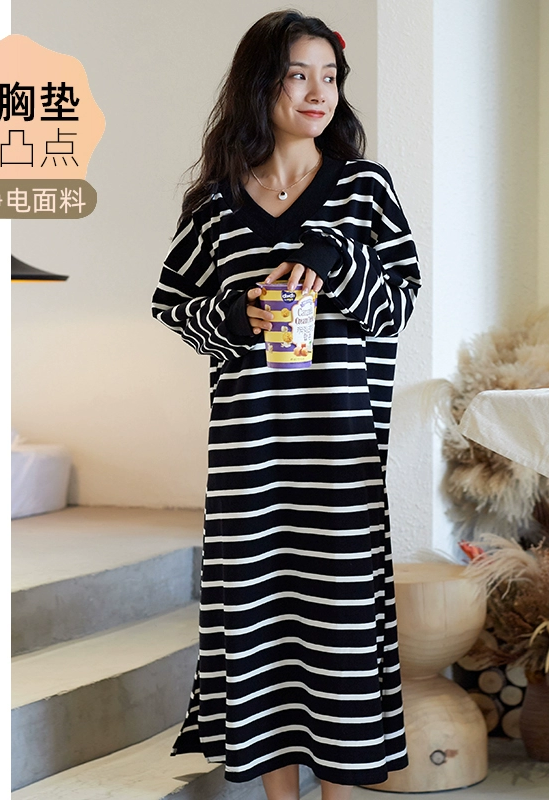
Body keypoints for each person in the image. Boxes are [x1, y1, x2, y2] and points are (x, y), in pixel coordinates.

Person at [151, 9, 421, 800]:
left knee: (339, 636)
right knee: (260, 632)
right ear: (261, 84)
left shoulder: (364, 190)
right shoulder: (214, 205)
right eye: (298, 75)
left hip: (337, 454)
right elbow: (173, 305)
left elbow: (398, 306)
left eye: (328, 77)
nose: (317, 93)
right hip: (251, 458)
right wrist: (235, 317)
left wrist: (338, 259)